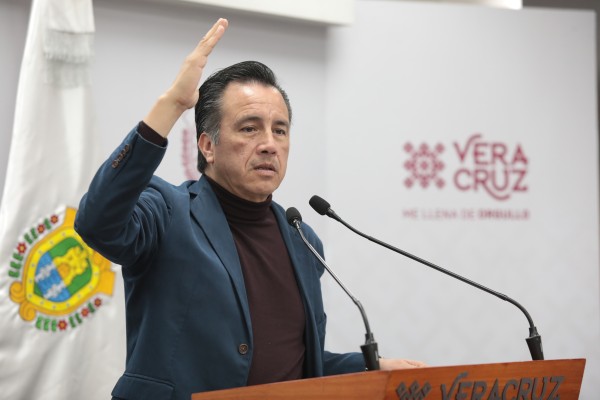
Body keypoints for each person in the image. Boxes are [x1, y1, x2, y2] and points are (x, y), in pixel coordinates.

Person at [75, 19, 425, 400]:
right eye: (249, 128)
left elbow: (294, 364)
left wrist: (373, 368)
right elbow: (97, 222)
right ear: (208, 146)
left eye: (280, 130)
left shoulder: (303, 241)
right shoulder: (167, 212)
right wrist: (172, 105)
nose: (269, 144)